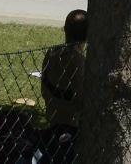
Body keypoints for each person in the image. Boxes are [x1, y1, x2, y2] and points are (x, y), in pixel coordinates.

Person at [40, 9, 88, 163]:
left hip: (51, 122)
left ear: (65, 29)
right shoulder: (77, 59)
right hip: (69, 130)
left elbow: (44, 90)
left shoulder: (52, 52)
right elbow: (80, 100)